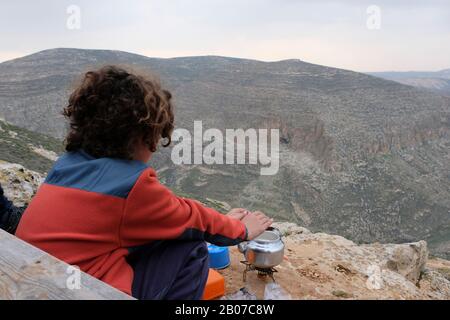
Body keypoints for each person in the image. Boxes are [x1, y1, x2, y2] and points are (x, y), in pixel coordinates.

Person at [15, 66, 273, 300]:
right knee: (191, 248)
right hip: (85, 292)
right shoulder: (131, 185)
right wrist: (241, 230)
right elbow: (190, 219)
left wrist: (223, 220)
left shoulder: (65, 165)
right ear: (142, 135)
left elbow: (156, 219)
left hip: (30, 281)